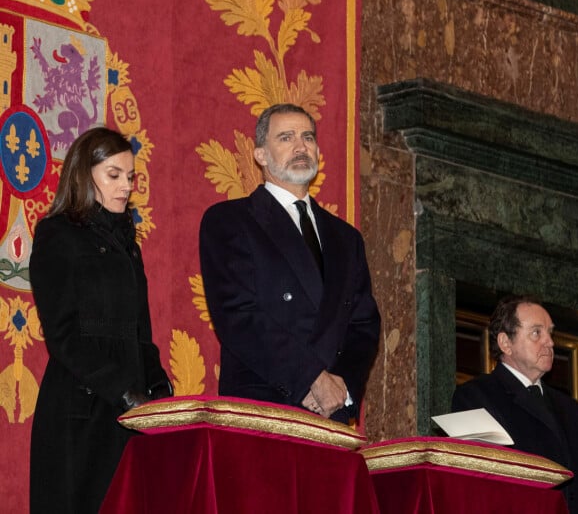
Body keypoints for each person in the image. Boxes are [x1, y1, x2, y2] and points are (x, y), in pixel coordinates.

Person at [199, 103, 381, 424]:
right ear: (261, 155)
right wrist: (311, 378)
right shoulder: (230, 221)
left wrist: (342, 390)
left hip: (330, 414)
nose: (300, 146)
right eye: (286, 138)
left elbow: (363, 326)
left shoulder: (346, 238)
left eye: (308, 137)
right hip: (264, 408)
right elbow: (239, 316)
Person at [29, 127, 172, 514]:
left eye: (130, 177)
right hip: (81, 409)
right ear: (83, 175)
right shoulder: (56, 234)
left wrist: (160, 393)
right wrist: (125, 391)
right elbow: (63, 337)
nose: (125, 186)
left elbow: (142, 334)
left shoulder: (129, 243)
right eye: (114, 175)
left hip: (132, 411)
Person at [452, 294, 578, 513]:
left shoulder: (570, 407)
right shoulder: (471, 398)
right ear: (505, 343)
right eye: (536, 333)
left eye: (550, 332)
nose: (550, 342)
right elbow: (481, 483)